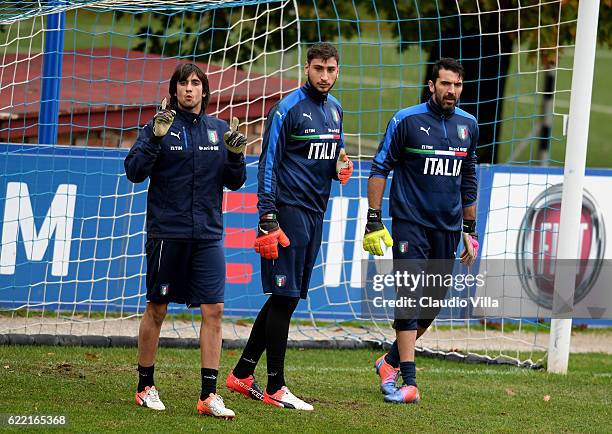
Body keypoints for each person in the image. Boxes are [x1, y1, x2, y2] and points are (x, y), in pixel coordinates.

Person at [224, 42, 353, 411]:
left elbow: (333, 154)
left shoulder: (336, 110)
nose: (324, 76)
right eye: (318, 69)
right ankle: (275, 386)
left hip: (316, 213)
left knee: (289, 296)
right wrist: (267, 217)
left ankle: (242, 374)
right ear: (307, 68)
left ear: (337, 71)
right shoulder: (286, 109)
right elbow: (268, 165)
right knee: (283, 297)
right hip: (287, 212)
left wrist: (339, 167)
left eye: (330, 70)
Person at [124, 62, 247, 419]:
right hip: (167, 233)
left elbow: (234, 182)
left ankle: (209, 395)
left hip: (207, 235)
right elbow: (133, 172)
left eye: (196, 83)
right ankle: (145, 385)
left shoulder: (218, 130)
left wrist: (237, 157)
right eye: (183, 83)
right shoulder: (158, 126)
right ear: (174, 90)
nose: (190, 89)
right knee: (157, 310)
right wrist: (154, 140)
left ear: (205, 91)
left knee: (216, 311)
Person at [363, 57, 480, 403]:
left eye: (457, 85)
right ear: (432, 85)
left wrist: (469, 230)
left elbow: (469, 178)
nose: (452, 91)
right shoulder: (407, 120)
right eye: (446, 84)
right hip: (410, 225)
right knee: (410, 297)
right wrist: (374, 217)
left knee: (431, 305)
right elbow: (380, 167)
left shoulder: (469, 125)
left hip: (448, 227)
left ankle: (389, 362)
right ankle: (409, 382)